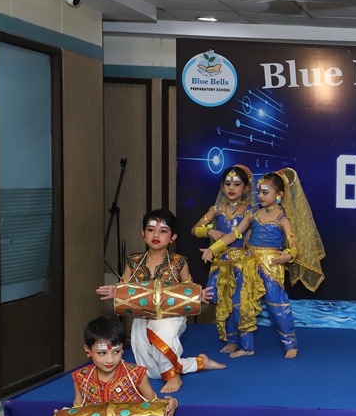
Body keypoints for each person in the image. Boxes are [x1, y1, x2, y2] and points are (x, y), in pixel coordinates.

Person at [96, 209, 224, 393]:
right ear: (143, 233)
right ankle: (199, 362)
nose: (156, 235)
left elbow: (189, 289)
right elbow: (124, 287)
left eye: (163, 231)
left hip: (172, 317)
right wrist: (116, 291)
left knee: (162, 340)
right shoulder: (134, 262)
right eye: (151, 230)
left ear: (173, 237)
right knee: (152, 372)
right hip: (142, 317)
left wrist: (199, 296)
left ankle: (174, 377)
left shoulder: (179, 262)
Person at [203, 169, 326, 359]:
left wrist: (288, 256)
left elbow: (293, 244)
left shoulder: (282, 219)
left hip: (271, 264)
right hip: (249, 262)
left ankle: (290, 343)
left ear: (279, 195)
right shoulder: (252, 213)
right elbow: (234, 235)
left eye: (265, 192)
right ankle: (247, 346)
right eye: (259, 192)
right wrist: (214, 248)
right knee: (240, 302)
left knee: (276, 304)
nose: (260, 196)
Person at [192, 165, 255, 353]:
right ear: (222, 187)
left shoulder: (250, 211)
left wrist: (249, 234)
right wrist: (210, 231)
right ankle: (232, 340)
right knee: (222, 301)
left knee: (239, 302)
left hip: (242, 262)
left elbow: (242, 233)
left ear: (246, 188)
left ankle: (247, 345)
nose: (231, 188)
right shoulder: (217, 209)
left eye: (237, 184)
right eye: (227, 183)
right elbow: (195, 229)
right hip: (221, 261)